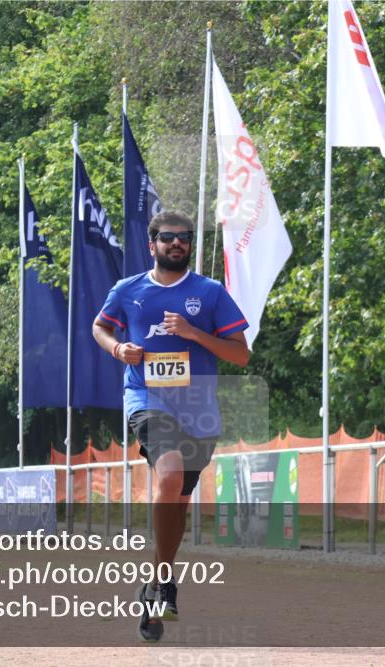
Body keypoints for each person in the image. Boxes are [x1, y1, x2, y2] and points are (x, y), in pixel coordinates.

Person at [92, 210, 250, 642]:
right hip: (147, 397)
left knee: (177, 504)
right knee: (170, 475)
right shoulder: (128, 290)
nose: (176, 244)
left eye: (183, 238)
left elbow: (241, 355)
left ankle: (157, 585)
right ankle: (164, 586)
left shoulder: (210, 293)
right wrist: (117, 348)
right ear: (153, 244)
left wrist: (196, 334)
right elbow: (100, 327)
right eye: (168, 238)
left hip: (197, 407)